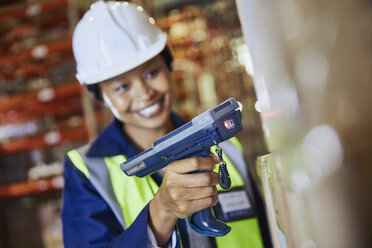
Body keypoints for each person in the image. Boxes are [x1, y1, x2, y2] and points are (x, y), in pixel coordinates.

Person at [61, 1, 268, 247]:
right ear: (101, 97)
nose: (144, 94)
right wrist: (162, 211)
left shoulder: (227, 146)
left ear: (169, 67)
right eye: (121, 87)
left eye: (151, 73)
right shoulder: (89, 170)